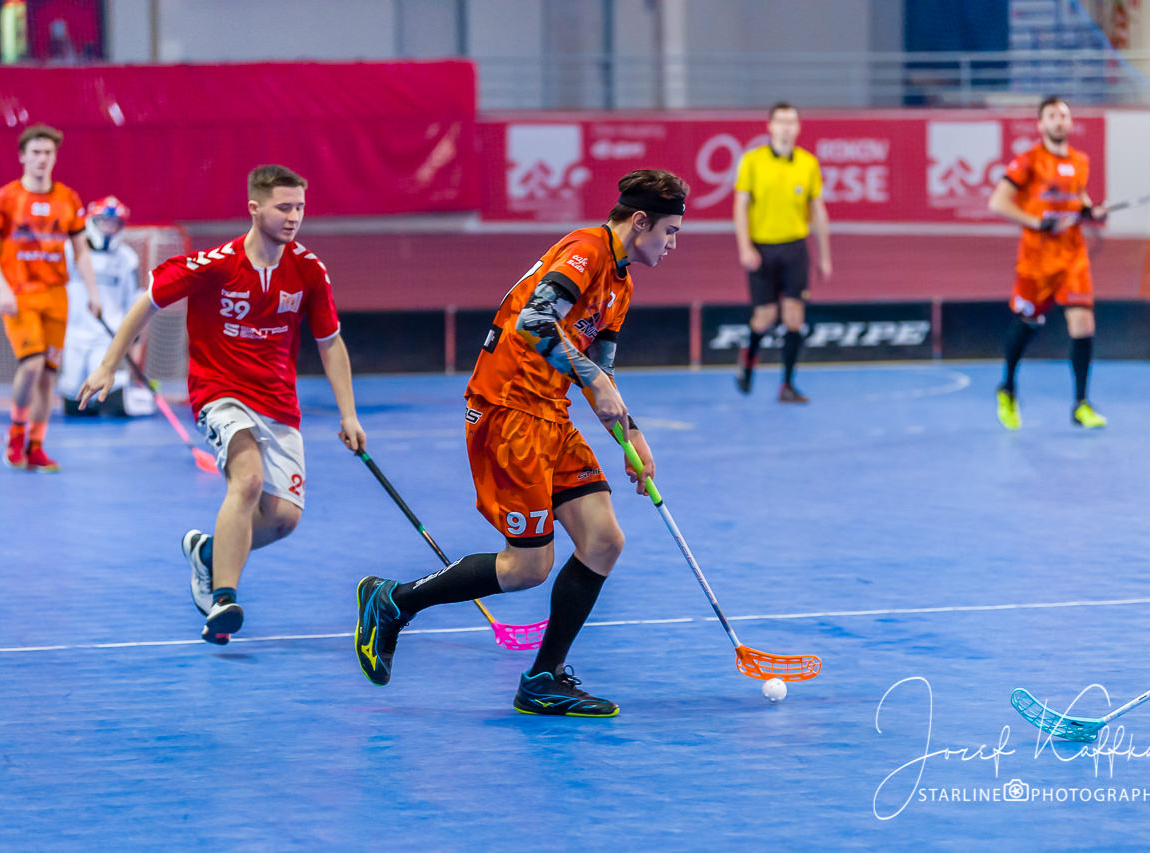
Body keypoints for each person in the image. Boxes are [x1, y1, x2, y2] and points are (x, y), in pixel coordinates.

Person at [353, 169, 688, 717]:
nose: (672, 244)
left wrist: (632, 436)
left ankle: (543, 679)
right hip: (507, 412)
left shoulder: (621, 286)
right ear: (640, 221)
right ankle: (394, 600)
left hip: (550, 413)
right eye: (669, 232)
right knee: (527, 567)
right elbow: (534, 322)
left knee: (604, 540)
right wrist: (593, 380)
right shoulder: (586, 250)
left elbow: (600, 374)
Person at [77, 165, 367, 644]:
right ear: (255, 208)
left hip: (278, 401)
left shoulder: (309, 271)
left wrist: (348, 414)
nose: (294, 217)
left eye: (299, 207)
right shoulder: (217, 264)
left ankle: (209, 554)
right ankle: (223, 598)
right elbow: (148, 300)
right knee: (247, 479)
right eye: (283, 207)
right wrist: (110, 365)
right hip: (220, 391)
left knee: (284, 519)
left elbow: (330, 342)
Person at [0, 124, 102, 471]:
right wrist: (1, 287)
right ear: (22, 156)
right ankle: (16, 433)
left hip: (56, 295)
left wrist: (93, 293)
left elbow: (81, 250)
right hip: (20, 295)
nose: (42, 159)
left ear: (55, 157)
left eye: (48, 152)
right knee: (31, 365)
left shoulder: (68, 198)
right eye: (35, 152)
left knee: (49, 376)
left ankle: (35, 446)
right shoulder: (7, 197)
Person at [988, 95, 1108, 430]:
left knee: (1083, 324)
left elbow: (1077, 198)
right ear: (1041, 124)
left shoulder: (1080, 161)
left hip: (1072, 257)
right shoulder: (1028, 161)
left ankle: (1081, 404)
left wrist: (1091, 211)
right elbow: (998, 202)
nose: (1059, 121)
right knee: (1027, 323)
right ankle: (1007, 388)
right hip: (1036, 261)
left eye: (1064, 115)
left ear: (1070, 123)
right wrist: (1036, 222)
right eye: (1052, 115)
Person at [732, 101, 832, 402]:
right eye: (781, 121)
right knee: (764, 317)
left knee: (794, 317)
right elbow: (740, 206)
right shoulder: (752, 161)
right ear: (770, 126)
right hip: (762, 248)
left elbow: (817, 210)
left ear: (798, 127)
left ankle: (787, 385)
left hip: (795, 248)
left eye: (791, 122)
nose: (786, 127)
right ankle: (747, 363)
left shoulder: (808, 163)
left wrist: (824, 255)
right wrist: (745, 247)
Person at [58, 195, 154, 418]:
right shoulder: (70, 251)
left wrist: (135, 342)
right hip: (73, 336)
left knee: (109, 401)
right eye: (104, 222)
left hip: (107, 337)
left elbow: (136, 303)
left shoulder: (127, 259)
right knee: (73, 403)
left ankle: (129, 397)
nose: (109, 228)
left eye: (115, 223)